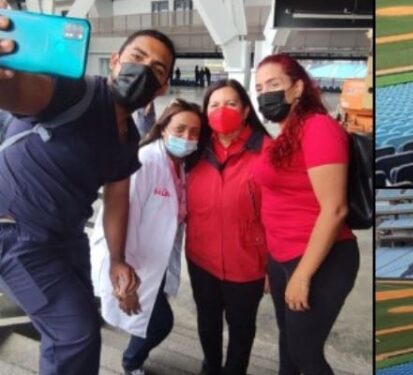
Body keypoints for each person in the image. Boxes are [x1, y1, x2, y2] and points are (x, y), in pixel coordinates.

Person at [0, 20, 175, 375]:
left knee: (78, 331)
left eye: (156, 69)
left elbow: (117, 199)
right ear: (114, 61)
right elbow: (20, 92)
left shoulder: (127, 140)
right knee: (74, 336)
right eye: (136, 57)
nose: (143, 71)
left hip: (66, 238)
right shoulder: (74, 91)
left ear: (162, 87)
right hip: (15, 233)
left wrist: (117, 260)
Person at [253, 53, 359, 375]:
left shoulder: (318, 128)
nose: (264, 93)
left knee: (304, 353)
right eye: (258, 88)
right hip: (283, 257)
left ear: (297, 88)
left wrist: (302, 274)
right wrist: (275, 265)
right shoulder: (284, 136)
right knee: (289, 347)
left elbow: (335, 208)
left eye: (273, 84)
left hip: (319, 259)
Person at [90, 99, 204, 375]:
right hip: (131, 262)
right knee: (160, 323)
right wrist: (122, 281)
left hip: (156, 261)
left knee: (151, 316)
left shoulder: (181, 165)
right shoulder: (145, 161)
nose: (187, 138)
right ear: (163, 128)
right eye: (179, 130)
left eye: (194, 133)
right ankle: (131, 363)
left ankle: (133, 359)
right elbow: (120, 219)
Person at [186, 79, 269, 375]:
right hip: (201, 259)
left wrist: (275, 265)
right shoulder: (193, 150)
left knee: (242, 327)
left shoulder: (266, 151)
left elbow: (280, 212)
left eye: (231, 103)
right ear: (205, 111)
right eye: (214, 104)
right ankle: (210, 367)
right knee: (207, 321)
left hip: (248, 264)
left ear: (246, 110)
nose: (222, 110)